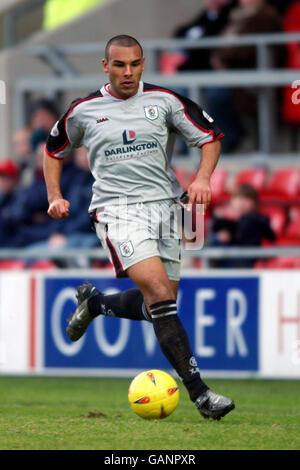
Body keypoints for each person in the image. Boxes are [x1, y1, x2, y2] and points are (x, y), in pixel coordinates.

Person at [43, 34, 235, 421]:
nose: (127, 73)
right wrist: (54, 195)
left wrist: (203, 178)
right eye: (119, 65)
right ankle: (201, 395)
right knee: (161, 294)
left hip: (167, 209)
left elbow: (210, 137)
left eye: (134, 64)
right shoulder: (83, 110)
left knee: (159, 307)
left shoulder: (165, 101)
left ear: (143, 63)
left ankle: (95, 303)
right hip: (117, 211)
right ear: (105, 66)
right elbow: (53, 150)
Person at [209, 183, 276, 266]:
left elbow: (271, 238)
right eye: (237, 198)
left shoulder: (257, 220)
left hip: (243, 261)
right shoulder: (224, 221)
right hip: (225, 259)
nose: (241, 203)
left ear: (255, 203)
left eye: (246, 199)